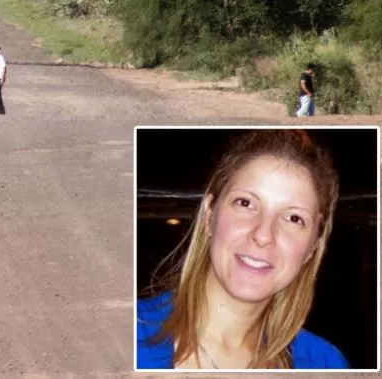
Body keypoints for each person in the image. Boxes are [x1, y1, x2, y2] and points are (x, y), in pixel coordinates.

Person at [136, 129, 349, 369]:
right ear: (209, 216)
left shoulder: (326, 364)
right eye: (245, 203)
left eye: (293, 218)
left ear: (312, 248)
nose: (263, 234)